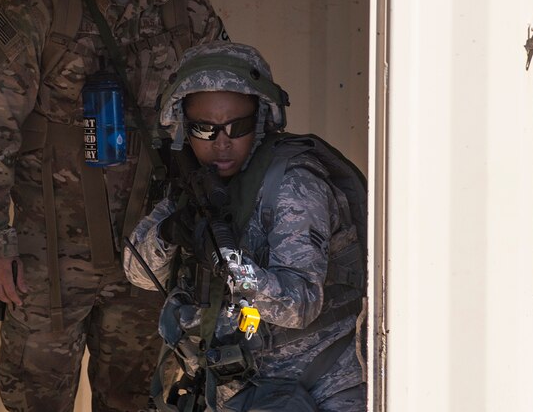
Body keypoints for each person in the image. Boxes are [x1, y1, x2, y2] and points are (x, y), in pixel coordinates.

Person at [0, 0, 227, 411]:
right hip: (48, 259)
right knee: (35, 400)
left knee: (135, 400)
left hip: (148, 257)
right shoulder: (40, 4)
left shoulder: (183, 5)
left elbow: (225, 112)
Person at [123, 42, 367, 412]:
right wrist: (169, 233)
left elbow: (298, 305)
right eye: (204, 130)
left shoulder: (294, 185)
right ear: (184, 129)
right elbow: (136, 271)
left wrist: (230, 263)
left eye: (237, 127)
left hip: (318, 389)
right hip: (243, 392)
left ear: (261, 119)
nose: (222, 143)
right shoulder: (197, 184)